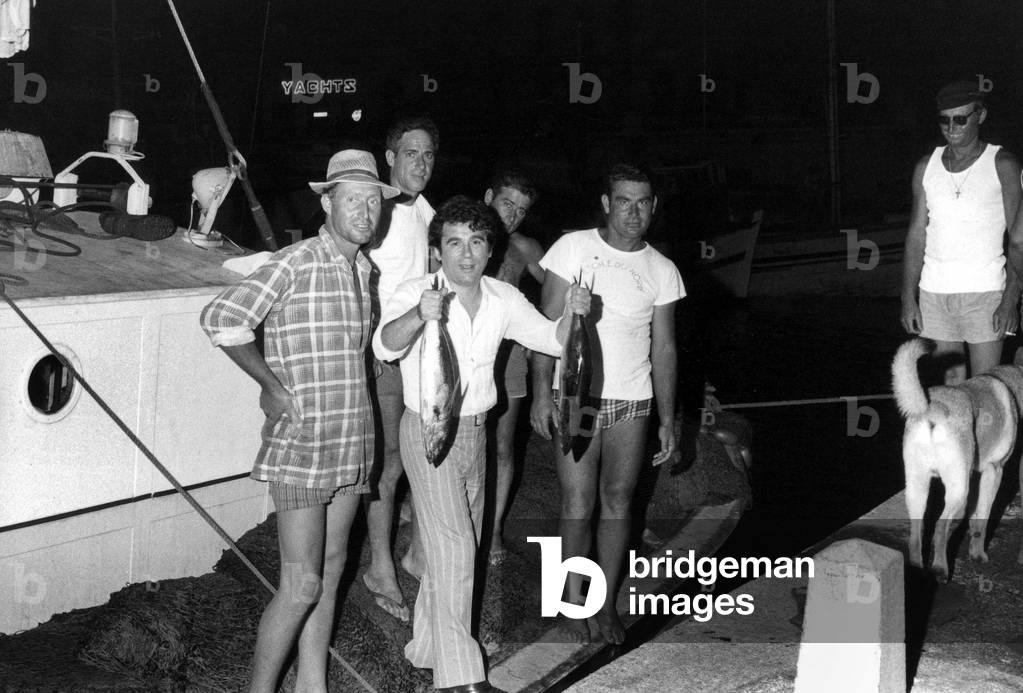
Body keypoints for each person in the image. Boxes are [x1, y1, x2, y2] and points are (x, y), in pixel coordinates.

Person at [200, 150, 399, 692]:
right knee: (302, 583)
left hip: (353, 438)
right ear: (327, 202)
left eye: (373, 201)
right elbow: (221, 317)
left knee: (332, 572)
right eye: (352, 199)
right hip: (303, 443)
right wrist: (270, 385)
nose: (364, 210)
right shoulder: (296, 260)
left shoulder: (365, 269)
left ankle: (312, 682)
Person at [373, 196, 591, 692]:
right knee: (455, 548)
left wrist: (576, 315)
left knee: (455, 545)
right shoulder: (416, 289)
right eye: (454, 243)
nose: (466, 254)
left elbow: (551, 339)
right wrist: (417, 316)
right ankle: (460, 677)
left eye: (476, 242)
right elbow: (385, 345)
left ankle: (427, 647)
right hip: (428, 428)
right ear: (438, 251)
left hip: (476, 432)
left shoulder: (502, 297)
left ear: (490, 250)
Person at [530, 163, 684, 645]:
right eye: (623, 200)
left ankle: (604, 602)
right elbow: (542, 327)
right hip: (577, 395)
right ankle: (572, 601)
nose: (633, 211)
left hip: (633, 402)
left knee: (618, 503)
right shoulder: (572, 248)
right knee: (577, 502)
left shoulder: (663, 270)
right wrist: (540, 393)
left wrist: (667, 418)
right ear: (605, 203)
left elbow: (664, 347)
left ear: (653, 206)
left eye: (642, 202)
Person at [364, 117, 439, 622]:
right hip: (382, 351)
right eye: (411, 153)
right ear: (389, 157)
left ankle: (411, 554)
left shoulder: (425, 210)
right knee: (388, 463)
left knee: (417, 456)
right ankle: (379, 568)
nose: (421, 163)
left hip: (418, 350)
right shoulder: (378, 210)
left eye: (429, 155)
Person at [901, 80, 1022, 382]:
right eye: (944, 120)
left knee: (985, 394)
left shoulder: (1003, 164)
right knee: (952, 397)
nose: (951, 127)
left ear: (980, 116)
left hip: (986, 295)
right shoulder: (926, 167)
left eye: (960, 119)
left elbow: (1018, 239)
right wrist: (907, 296)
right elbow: (916, 235)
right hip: (934, 295)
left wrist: (1011, 299)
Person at [482, 169, 544, 565]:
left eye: (522, 210)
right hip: (464, 352)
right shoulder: (459, 237)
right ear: (489, 197)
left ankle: (494, 529)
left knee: (502, 445)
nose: (513, 215)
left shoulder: (525, 248)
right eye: (507, 203)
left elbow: (558, 287)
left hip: (509, 356)